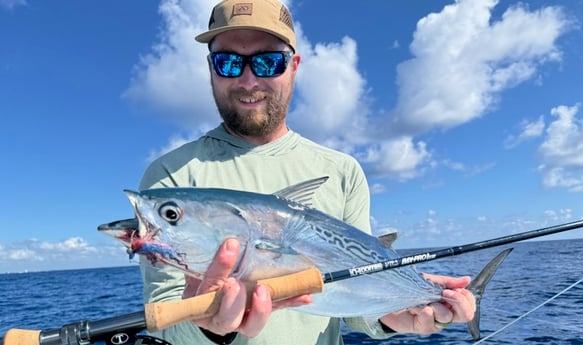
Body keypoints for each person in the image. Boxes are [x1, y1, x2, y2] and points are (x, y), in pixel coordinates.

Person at [138, 0, 476, 344]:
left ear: (294, 65)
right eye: (228, 62)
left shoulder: (342, 171)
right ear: (211, 68)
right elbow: (165, 320)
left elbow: (356, 306)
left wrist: (395, 315)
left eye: (269, 61)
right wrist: (205, 328)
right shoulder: (171, 176)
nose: (248, 79)